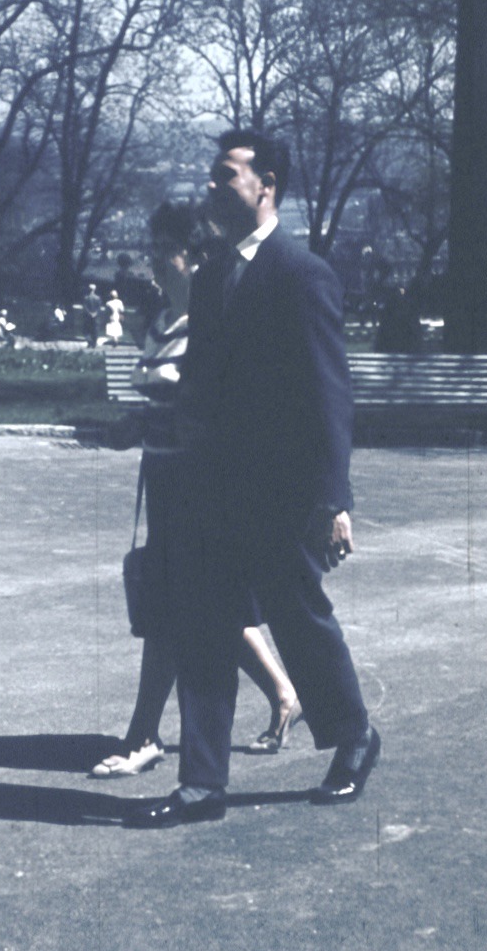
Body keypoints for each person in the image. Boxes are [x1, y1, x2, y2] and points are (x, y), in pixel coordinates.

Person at [125, 129, 380, 828]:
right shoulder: (209, 279)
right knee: (204, 624)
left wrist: (333, 499)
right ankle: (202, 784)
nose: (211, 187)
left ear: (264, 183)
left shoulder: (301, 273)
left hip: (279, 491)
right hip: (209, 485)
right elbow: (203, 385)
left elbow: (330, 393)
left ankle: (353, 734)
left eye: (224, 175)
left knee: (297, 618)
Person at [92, 203, 299, 780]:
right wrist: (136, 425)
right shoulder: (163, 321)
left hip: (204, 487)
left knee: (173, 612)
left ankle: (144, 736)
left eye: (167, 251)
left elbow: (222, 409)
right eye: (154, 249)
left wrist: (161, 424)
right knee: (198, 607)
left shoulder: (216, 322)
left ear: (197, 256)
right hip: (165, 481)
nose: (156, 262)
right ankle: (284, 694)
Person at [82, 283, 103, 347]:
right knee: (95, 330)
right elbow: (99, 308)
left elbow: (85, 307)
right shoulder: (98, 298)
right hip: (96, 316)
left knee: (87, 330)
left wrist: (89, 313)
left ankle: (89, 342)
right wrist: (95, 313)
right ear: (95, 289)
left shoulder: (86, 298)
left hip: (88, 316)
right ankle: (94, 343)